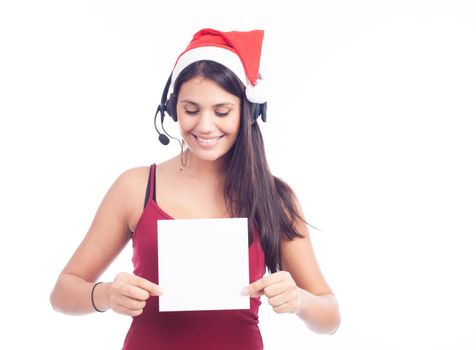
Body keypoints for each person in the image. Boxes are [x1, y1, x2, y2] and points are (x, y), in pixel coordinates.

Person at [50, 28, 341, 349]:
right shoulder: (135, 188)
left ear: (248, 112)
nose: (204, 126)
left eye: (222, 111)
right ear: (172, 108)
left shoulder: (274, 198)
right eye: (191, 109)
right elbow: (63, 292)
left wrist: (299, 300)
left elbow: (330, 319)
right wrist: (104, 295)